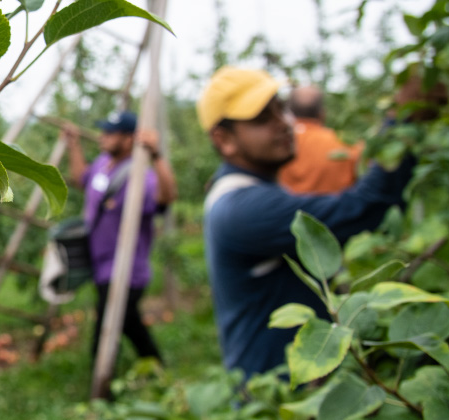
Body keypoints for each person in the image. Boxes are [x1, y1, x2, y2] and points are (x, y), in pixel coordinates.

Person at [197, 66, 415, 379]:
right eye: (262, 119)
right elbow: (363, 208)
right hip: (275, 399)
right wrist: (402, 119)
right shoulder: (243, 208)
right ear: (225, 140)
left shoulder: (257, 190)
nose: (284, 123)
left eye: (281, 108)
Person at [61, 111, 177, 364]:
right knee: (127, 322)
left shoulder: (140, 177)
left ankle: (102, 384)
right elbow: (81, 178)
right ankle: (156, 370)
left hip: (126, 268)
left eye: (110, 133)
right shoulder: (102, 164)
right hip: (101, 263)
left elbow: (166, 198)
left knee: (107, 326)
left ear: (128, 139)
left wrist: (157, 156)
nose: (103, 137)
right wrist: (74, 145)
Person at [278, 85, 364, 194]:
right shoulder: (348, 143)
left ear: (288, 113)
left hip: (284, 210)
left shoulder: (276, 144)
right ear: (322, 113)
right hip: (335, 209)